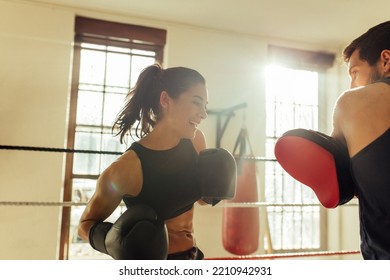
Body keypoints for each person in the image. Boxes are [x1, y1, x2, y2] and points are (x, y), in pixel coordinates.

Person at [77, 63, 236, 260]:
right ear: (165, 99)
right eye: (196, 102)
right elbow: (85, 225)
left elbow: (200, 200)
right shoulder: (126, 169)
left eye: (205, 106)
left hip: (193, 256)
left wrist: (214, 186)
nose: (203, 114)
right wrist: (110, 241)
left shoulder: (195, 140)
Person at [330, 21, 390, 259]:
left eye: (355, 72)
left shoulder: (353, 102)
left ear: (386, 60)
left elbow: (337, 186)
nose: (352, 84)